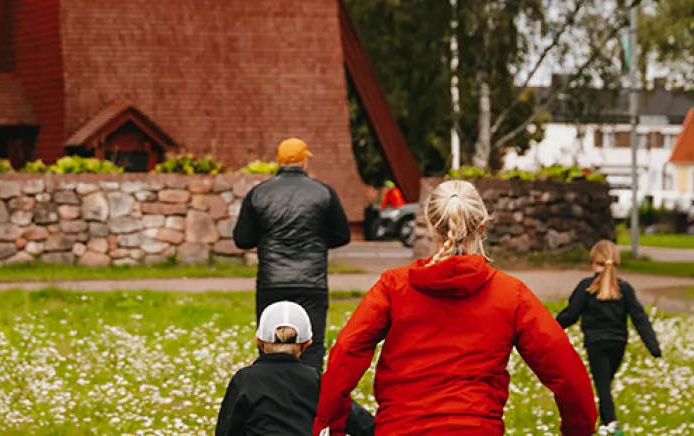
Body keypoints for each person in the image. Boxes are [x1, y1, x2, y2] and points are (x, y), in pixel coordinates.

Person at [315, 180, 596, 436]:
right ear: (482, 226)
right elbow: (567, 372)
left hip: (400, 427)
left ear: (430, 226)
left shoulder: (394, 286)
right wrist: (578, 430)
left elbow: (346, 353)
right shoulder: (511, 294)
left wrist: (331, 424)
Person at [232, 138, 353, 371]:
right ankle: (310, 390)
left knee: (270, 344)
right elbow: (342, 235)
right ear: (304, 161)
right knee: (312, 346)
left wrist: (267, 237)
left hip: (272, 282)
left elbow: (242, 239)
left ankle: (271, 389)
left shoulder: (259, 193)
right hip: (312, 283)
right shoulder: (324, 193)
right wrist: (315, 240)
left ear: (278, 161)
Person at [557, 240, 662, 433]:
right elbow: (639, 318)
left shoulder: (587, 287)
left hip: (596, 345)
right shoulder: (624, 289)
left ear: (592, 262)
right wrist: (653, 347)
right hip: (618, 345)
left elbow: (570, 315)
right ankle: (603, 425)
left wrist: (549, 328)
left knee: (603, 387)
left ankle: (613, 425)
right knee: (605, 385)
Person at [214, 301, 321, 436]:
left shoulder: (245, 379)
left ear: (260, 342)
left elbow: (226, 430)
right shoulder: (316, 380)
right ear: (306, 344)